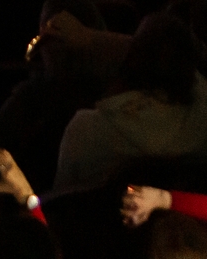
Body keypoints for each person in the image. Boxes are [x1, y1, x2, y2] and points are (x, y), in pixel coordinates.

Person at [54, 15, 207, 195]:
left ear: (130, 59)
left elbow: (60, 202)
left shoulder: (86, 130)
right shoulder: (201, 116)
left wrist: (91, 38)